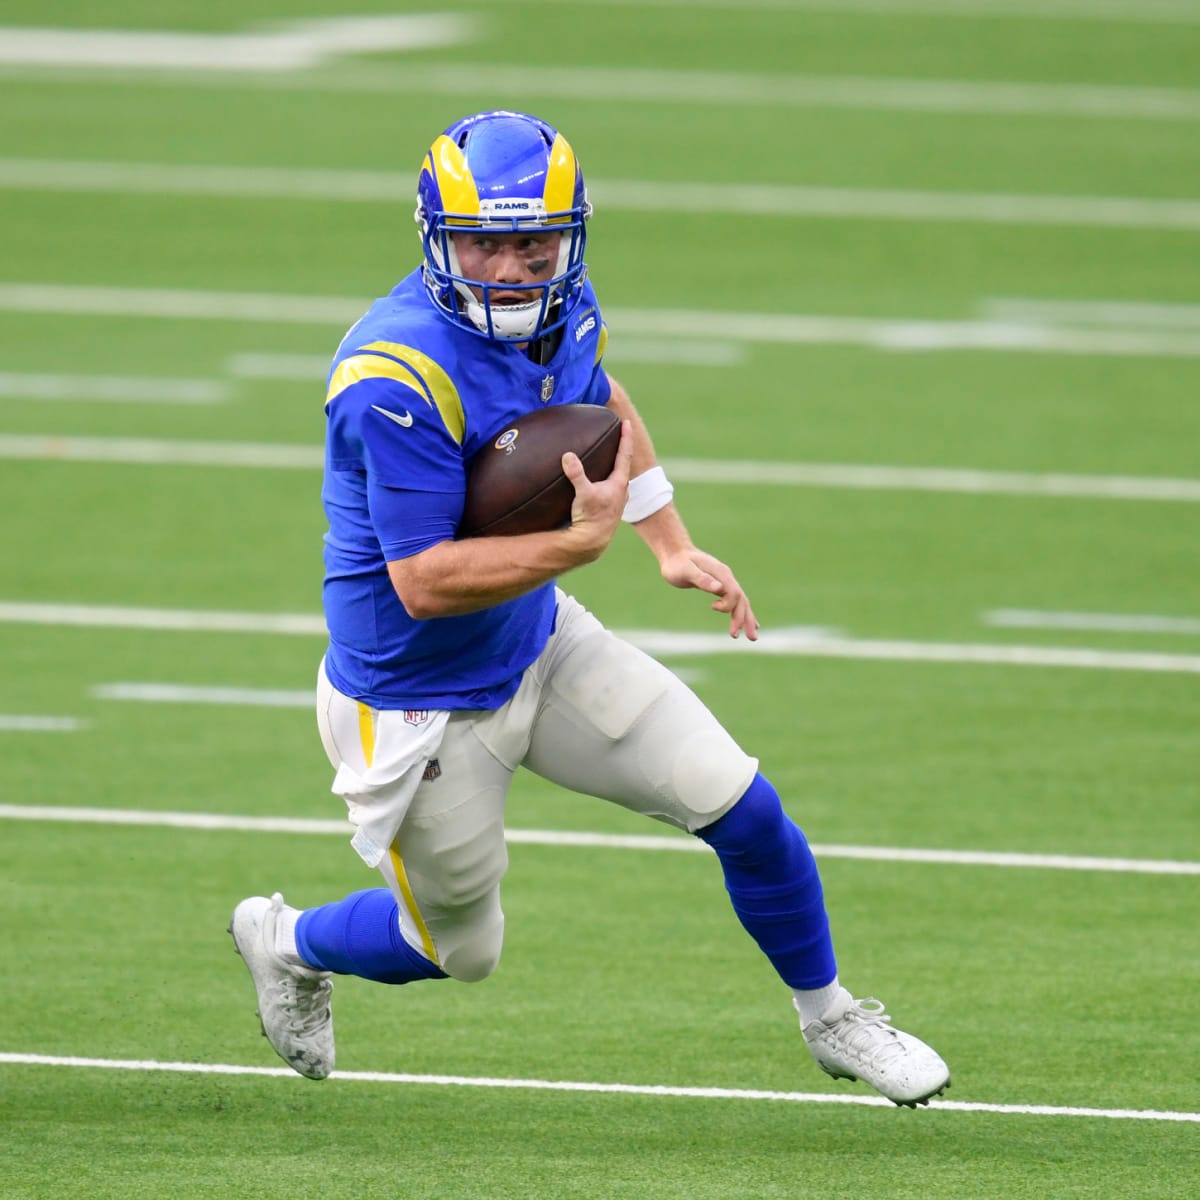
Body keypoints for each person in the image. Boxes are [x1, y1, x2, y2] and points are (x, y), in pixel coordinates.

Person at [230, 109, 950, 1107]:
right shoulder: (392, 377)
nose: (515, 267)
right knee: (454, 949)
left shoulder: (566, 311)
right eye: (487, 240)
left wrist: (670, 541)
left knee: (742, 805)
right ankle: (287, 940)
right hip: (418, 697)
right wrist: (575, 545)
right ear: (439, 238)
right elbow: (421, 583)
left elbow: (601, 402)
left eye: (535, 241)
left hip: (537, 641)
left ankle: (832, 1016)